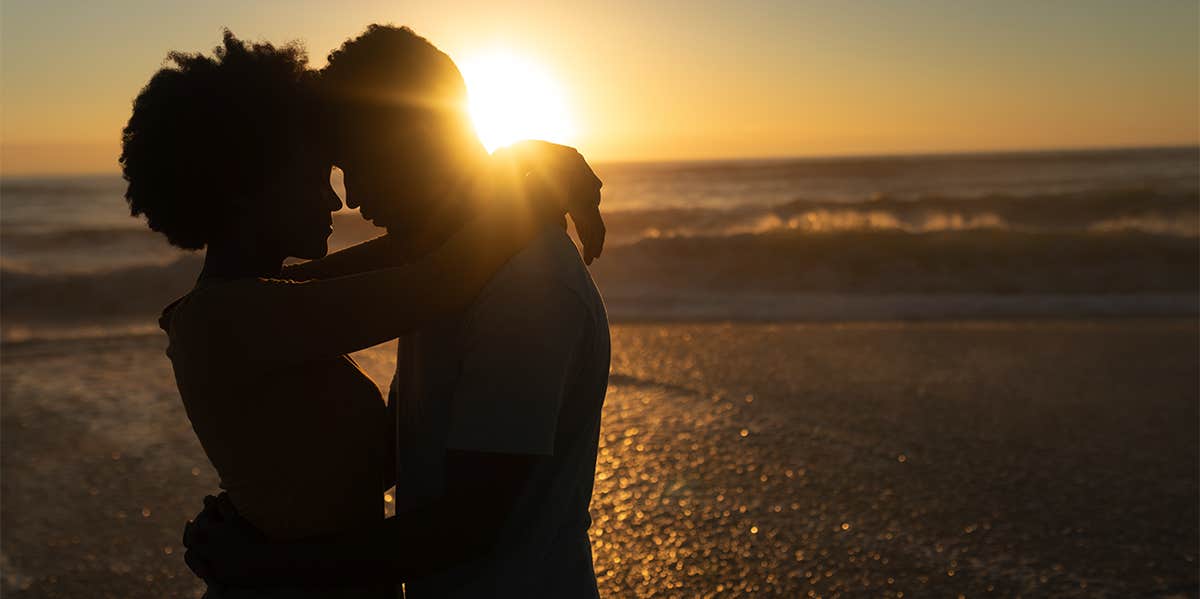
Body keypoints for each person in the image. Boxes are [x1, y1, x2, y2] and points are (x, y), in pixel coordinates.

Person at [121, 31, 603, 598]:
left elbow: (463, 521)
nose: (342, 200)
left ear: (415, 139)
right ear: (248, 191)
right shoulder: (245, 315)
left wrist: (265, 552)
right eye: (323, 172)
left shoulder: (524, 281)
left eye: (352, 165)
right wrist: (537, 184)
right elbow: (435, 271)